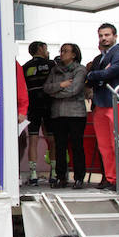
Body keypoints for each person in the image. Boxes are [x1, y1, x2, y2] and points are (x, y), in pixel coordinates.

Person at [85, 23, 119, 189]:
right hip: (99, 104)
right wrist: (97, 75)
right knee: (104, 146)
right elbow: (89, 78)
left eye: (107, 35)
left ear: (115, 36)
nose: (104, 38)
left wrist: (95, 74)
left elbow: (110, 72)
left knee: (116, 144)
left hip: (115, 103)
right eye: (101, 35)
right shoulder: (99, 58)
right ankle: (111, 179)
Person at [44, 44, 87, 189]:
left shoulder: (80, 69)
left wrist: (56, 91)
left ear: (74, 54)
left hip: (76, 113)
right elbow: (46, 88)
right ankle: (61, 177)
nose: (62, 53)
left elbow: (74, 89)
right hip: (57, 114)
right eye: (61, 51)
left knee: (76, 145)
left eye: (65, 51)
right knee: (59, 146)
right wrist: (62, 84)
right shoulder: (55, 70)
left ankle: (79, 177)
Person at [22, 41, 56, 184]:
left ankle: (34, 174)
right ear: (41, 49)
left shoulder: (25, 67)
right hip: (49, 105)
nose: (47, 51)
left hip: (32, 106)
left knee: (33, 139)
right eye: (46, 48)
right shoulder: (51, 65)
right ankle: (54, 173)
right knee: (52, 139)